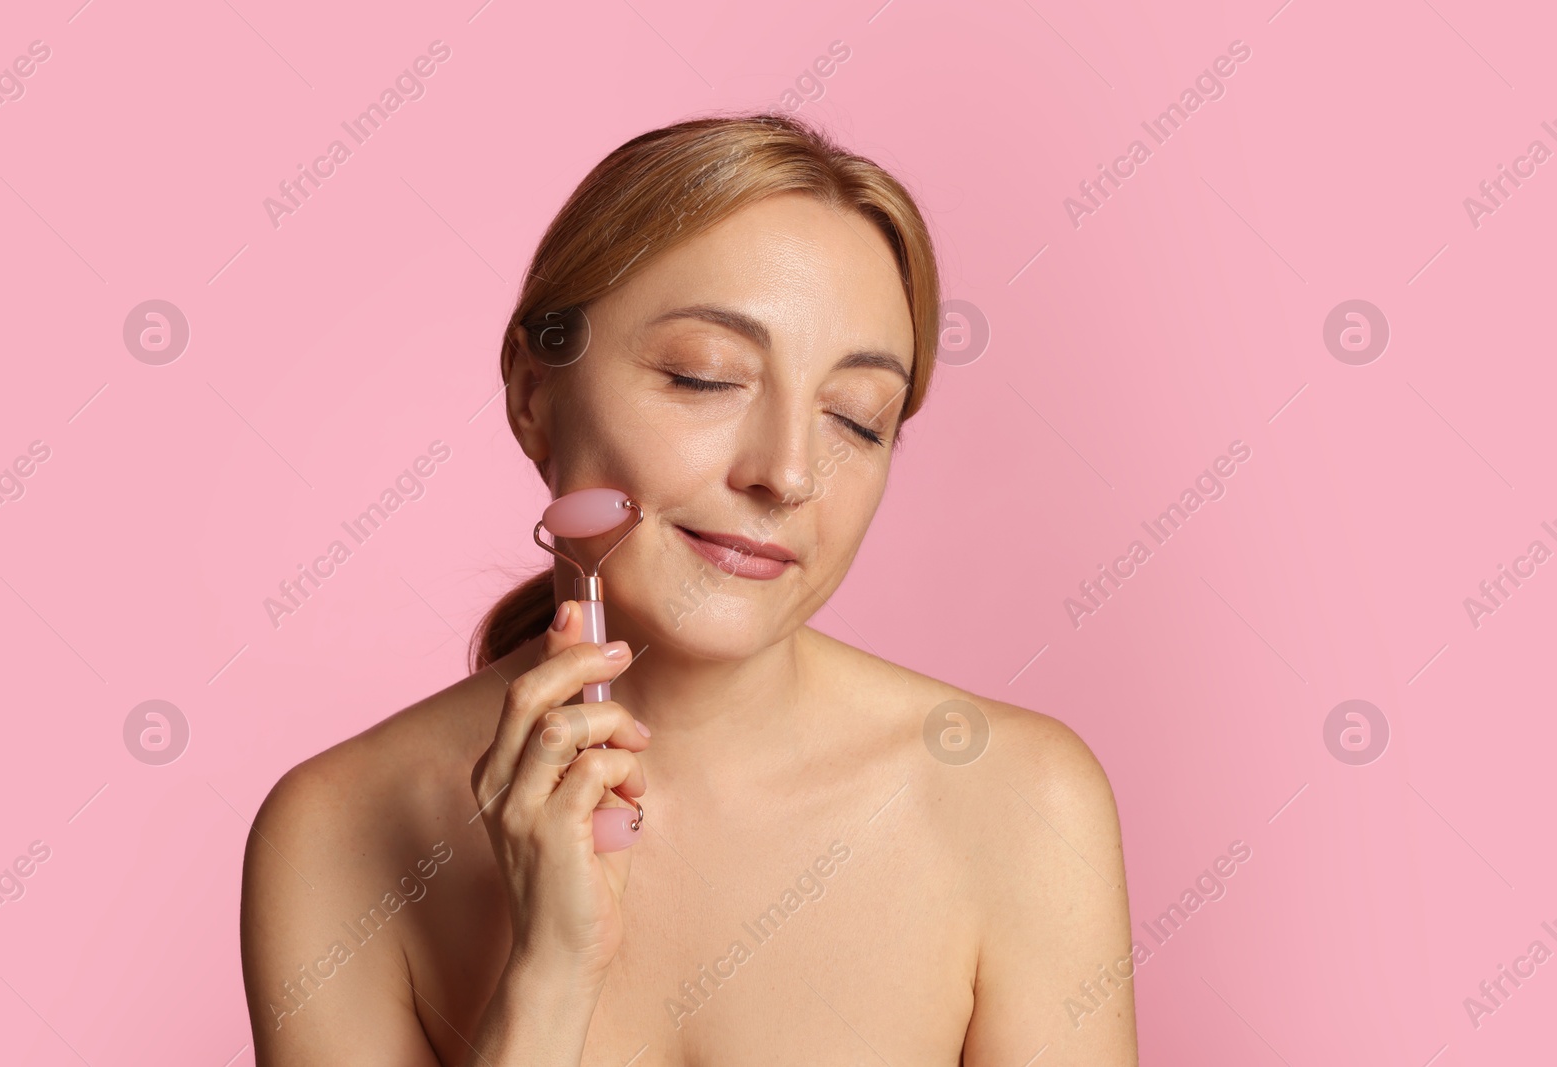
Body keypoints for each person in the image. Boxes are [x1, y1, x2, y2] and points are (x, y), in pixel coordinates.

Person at [240, 111, 1137, 1066]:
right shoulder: (336, 835)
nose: (787, 472)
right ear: (533, 394)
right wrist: (549, 976)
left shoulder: (1017, 804)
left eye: (857, 418)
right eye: (704, 377)